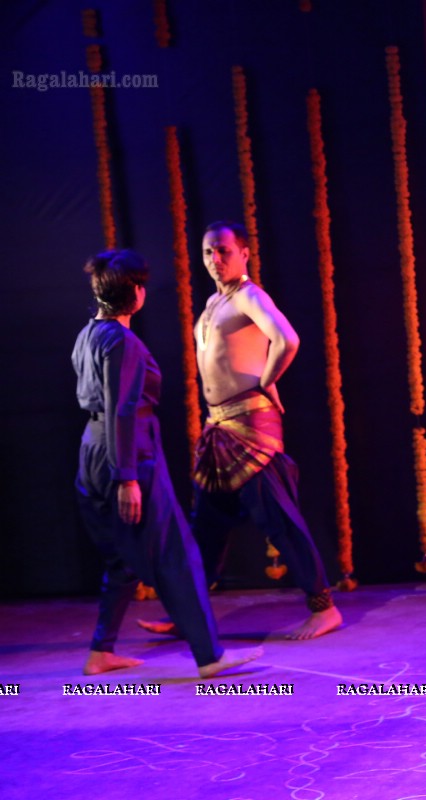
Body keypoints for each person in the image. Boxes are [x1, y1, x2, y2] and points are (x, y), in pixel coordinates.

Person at [140, 221, 341, 640]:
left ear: (245, 253)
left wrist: (267, 381)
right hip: (219, 428)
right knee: (206, 528)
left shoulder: (250, 295)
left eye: (224, 251)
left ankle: (324, 608)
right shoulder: (215, 302)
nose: (216, 260)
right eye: (209, 252)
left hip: (249, 425)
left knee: (278, 519)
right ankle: (188, 614)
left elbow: (286, 339)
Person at [73, 249, 263, 678]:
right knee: (176, 553)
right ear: (136, 294)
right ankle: (210, 657)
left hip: (93, 450)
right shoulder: (121, 342)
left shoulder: (88, 334)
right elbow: (123, 408)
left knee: (121, 559)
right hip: (128, 453)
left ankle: (100, 651)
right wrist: (127, 479)